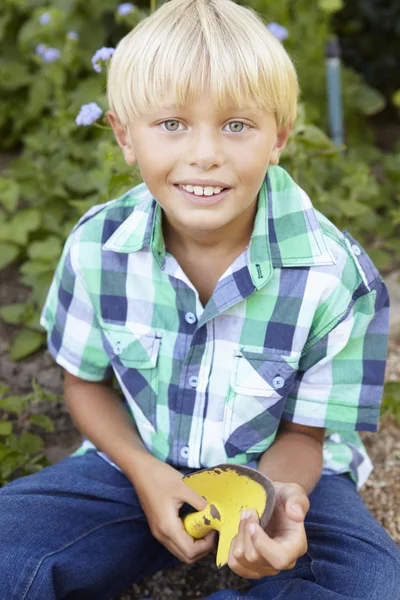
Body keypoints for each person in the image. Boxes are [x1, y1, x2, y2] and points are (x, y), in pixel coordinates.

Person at [1, 0, 399, 598]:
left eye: (237, 125)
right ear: (124, 135)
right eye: (172, 124)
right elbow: (83, 384)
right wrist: (145, 473)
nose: (205, 153)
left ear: (279, 136)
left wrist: (267, 514)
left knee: (370, 585)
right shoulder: (97, 245)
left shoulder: (336, 276)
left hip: (278, 476)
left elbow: (304, 437)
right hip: (138, 462)